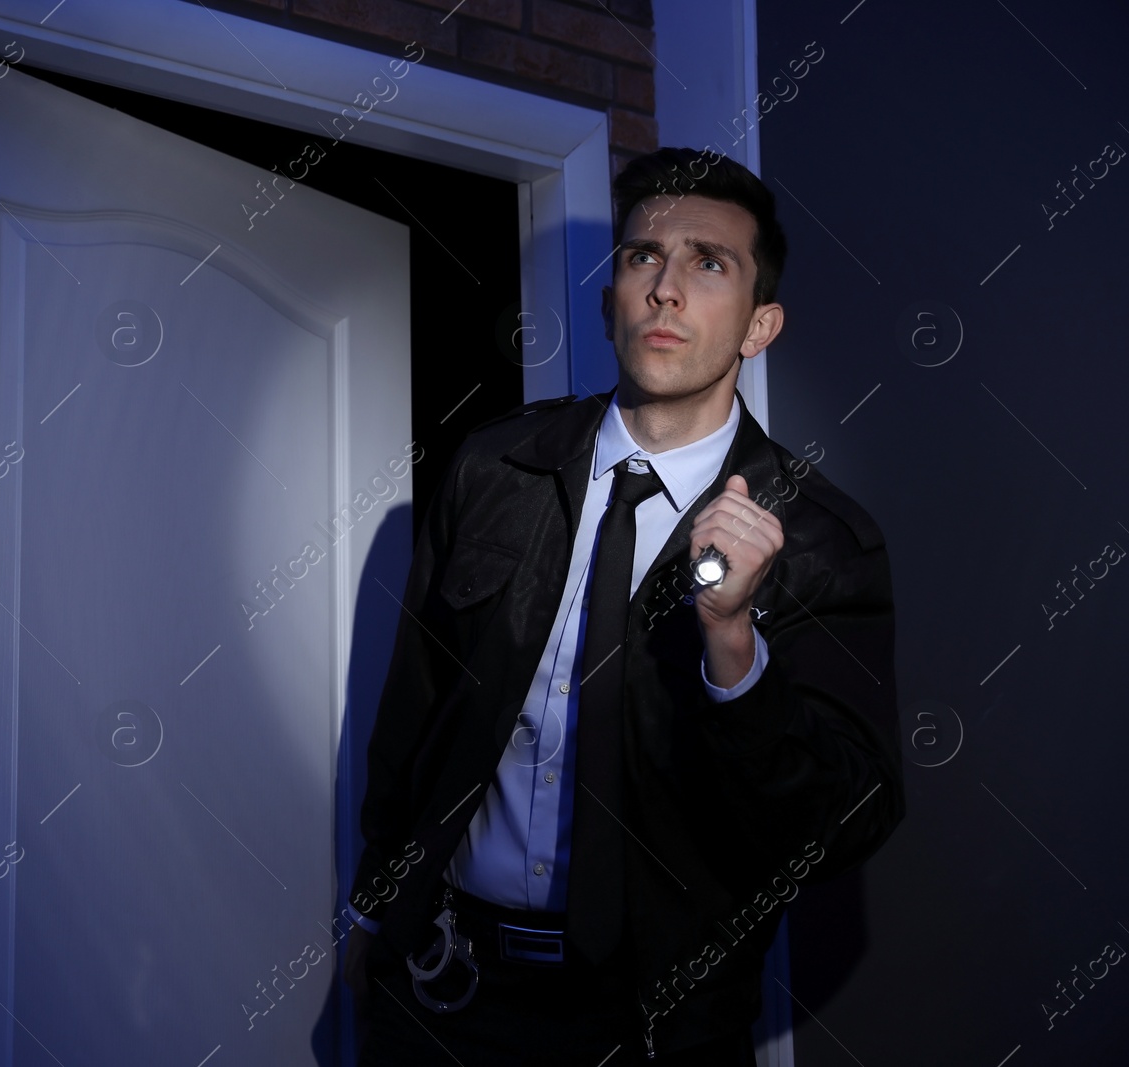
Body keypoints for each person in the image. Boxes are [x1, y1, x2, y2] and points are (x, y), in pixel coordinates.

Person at [340, 146, 905, 1065]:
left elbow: (840, 825)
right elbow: (414, 709)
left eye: (708, 263)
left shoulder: (823, 539)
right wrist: (375, 910)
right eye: (645, 257)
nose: (666, 290)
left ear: (760, 325)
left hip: (657, 1023)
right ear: (610, 300)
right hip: (445, 987)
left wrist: (732, 646)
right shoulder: (494, 469)